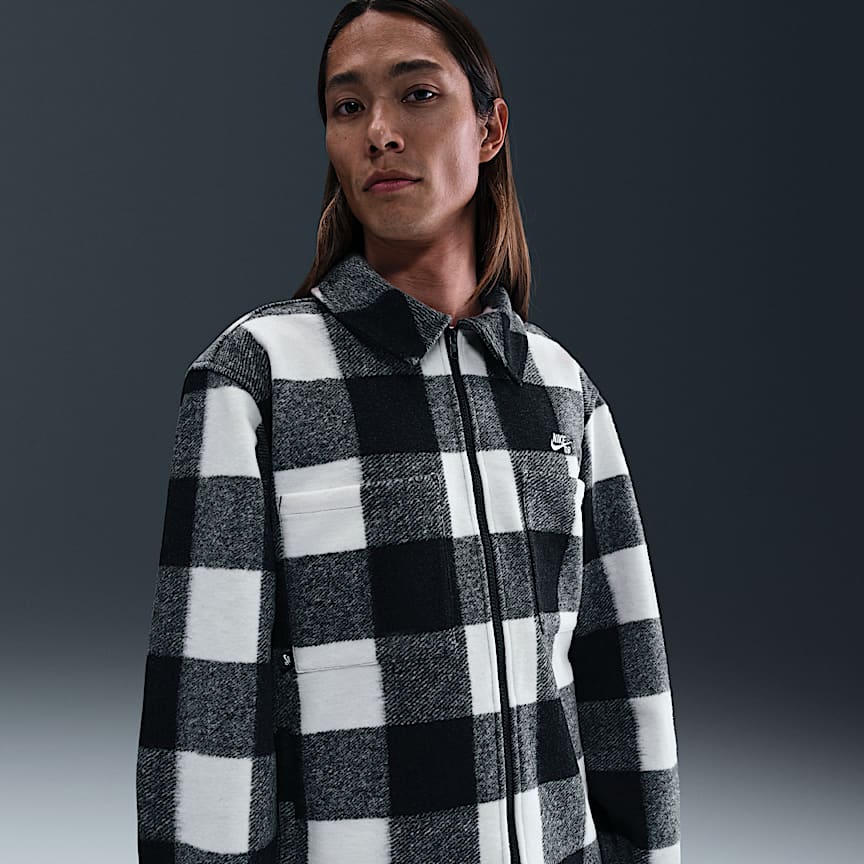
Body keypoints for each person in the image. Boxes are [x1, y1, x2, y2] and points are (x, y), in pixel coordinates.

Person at [135, 2, 682, 862]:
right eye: (347, 106)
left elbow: (627, 684)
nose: (380, 132)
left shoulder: (562, 391)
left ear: (490, 130)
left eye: (418, 94)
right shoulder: (257, 377)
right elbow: (208, 715)